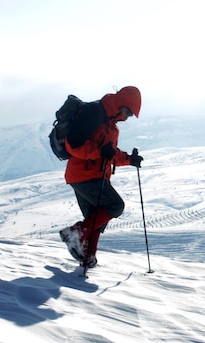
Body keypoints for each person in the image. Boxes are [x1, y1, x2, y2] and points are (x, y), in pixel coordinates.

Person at [59, 86, 143, 268]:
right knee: (115, 206)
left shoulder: (111, 127)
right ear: (121, 103)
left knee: (96, 219)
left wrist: (130, 159)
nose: (127, 118)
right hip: (85, 174)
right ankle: (75, 232)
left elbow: (109, 153)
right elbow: (73, 144)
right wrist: (99, 151)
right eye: (128, 112)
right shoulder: (94, 112)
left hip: (87, 176)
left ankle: (88, 257)